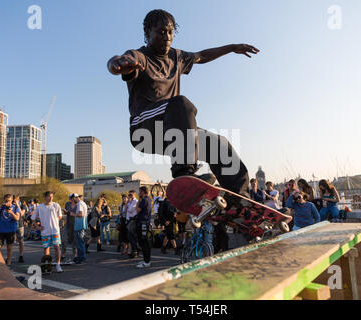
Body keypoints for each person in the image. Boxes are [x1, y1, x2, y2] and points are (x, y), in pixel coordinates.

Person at [107, 9, 260, 198]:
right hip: (143, 129)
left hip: (174, 131)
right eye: (161, 32)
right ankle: (184, 175)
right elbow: (116, 62)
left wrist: (231, 47)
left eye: (170, 32)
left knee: (219, 145)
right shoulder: (139, 56)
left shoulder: (176, 57)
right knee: (180, 104)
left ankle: (241, 199)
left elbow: (201, 56)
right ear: (147, 33)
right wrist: (117, 65)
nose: (167, 37)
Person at [31, 191, 63, 273]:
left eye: (52, 196)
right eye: (49, 196)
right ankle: (47, 265)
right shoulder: (40, 207)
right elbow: (33, 218)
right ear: (45, 197)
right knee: (46, 248)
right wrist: (37, 226)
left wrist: (53, 221)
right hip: (45, 231)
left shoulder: (56, 205)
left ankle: (58, 265)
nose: (51, 198)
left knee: (57, 247)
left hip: (55, 230)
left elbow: (60, 216)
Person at [0, 194, 21, 266]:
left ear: (12, 200)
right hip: (1, 230)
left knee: (9, 247)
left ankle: (9, 262)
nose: (7, 202)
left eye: (9, 201)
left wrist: (11, 213)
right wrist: (1, 205)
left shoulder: (15, 208)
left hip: (10, 230)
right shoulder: (2, 207)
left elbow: (17, 218)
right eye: (6, 201)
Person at [135, 186, 152, 268]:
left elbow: (137, 210)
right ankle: (146, 259)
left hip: (143, 223)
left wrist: (138, 201)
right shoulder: (148, 199)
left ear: (143, 192)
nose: (139, 193)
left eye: (140, 191)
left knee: (143, 242)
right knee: (144, 242)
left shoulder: (144, 200)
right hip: (145, 223)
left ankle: (146, 261)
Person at [71, 193, 88, 264]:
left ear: (75, 198)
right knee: (80, 242)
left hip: (79, 225)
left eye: (72, 199)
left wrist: (73, 214)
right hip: (82, 225)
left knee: (79, 242)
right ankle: (80, 257)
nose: (72, 201)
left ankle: (81, 258)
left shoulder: (79, 204)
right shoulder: (83, 203)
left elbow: (81, 214)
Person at [61, 194, 77, 262]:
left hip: (75, 224)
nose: (73, 199)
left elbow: (78, 214)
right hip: (68, 224)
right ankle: (63, 255)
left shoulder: (78, 205)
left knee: (74, 241)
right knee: (64, 240)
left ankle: (75, 256)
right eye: (72, 198)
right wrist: (64, 212)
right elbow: (66, 213)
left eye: (74, 198)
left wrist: (68, 212)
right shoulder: (67, 204)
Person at [13, 195, 27, 263]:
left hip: (20, 225)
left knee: (21, 241)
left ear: (18, 199)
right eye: (13, 200)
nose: (14, 201)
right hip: (12, 224)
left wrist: (18, 205)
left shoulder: (22, 205)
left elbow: (21, 213)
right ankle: (9, 256)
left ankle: (21, 256)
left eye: (16, 200)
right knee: (10, 241)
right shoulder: (11, 205)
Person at [126, 190, 139, 258]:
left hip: (133, 220)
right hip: (128, 220)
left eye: (131, 195)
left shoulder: (135, 201)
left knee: (131, 237)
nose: (129, 196)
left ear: (134, 194)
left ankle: (134, 251)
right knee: (130, 237)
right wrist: (127, 202)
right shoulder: (129, 202)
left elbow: (130, 210)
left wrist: (128, 206)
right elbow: (124, 210)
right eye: (129, 195)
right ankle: (131, 251)